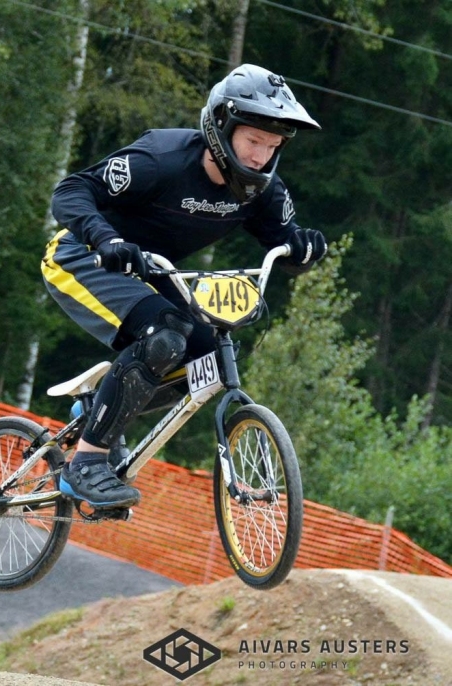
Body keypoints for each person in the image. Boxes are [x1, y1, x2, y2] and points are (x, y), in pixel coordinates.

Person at [42, 64, 327, 508]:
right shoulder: (161, 160)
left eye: (272, 147)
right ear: (219, 127)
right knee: (164, 336)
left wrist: (303, 249)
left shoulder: (261, 190)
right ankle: (86, 465)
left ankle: (100, 410)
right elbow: (70, 191)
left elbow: (283, 241)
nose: (260, 156)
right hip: (84, 256)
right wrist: (105, 237)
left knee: (208, 360)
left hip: (154, 270)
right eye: (253, 141)